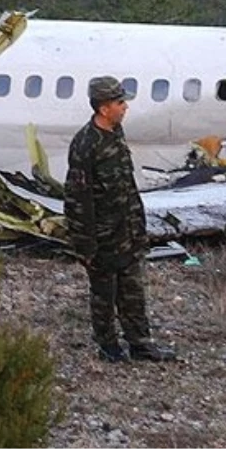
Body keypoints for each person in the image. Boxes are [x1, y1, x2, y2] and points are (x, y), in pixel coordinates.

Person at [65, 76, 176, 363]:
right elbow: (78, 199)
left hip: (127, 231)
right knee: (104, 294)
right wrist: (85, 245)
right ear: (104, 108)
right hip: (102, 237)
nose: (125, 107)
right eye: (119, 102)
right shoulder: (85, 144)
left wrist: (138, 227)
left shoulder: (116, 132)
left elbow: (125, 184)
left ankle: (140, 343)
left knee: (133, 291)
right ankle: (108, 346)